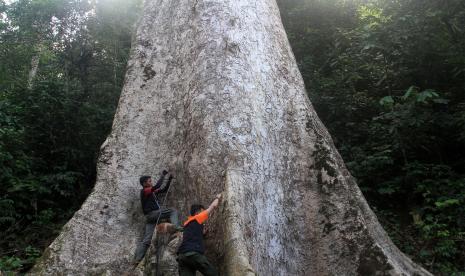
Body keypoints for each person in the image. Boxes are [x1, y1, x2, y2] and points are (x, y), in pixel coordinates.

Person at [134, 170, 180, 264]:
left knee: (147, 240)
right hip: (153, 214)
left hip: (150, 218)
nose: (151, 182)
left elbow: (163, 190)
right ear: (144, 183)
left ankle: (137, 259)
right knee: (172, 211)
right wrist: (163, 176)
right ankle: (176, 227)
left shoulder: (151, 192)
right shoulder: (145, 191)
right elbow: (157, 186)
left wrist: (169, 180)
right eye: (149, 181)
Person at [177, 193, 222, 276]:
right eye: (202, 211)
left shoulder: (187, 223)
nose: (203, 213)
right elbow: (213, 206)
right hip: (193, 254)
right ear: (198, 212)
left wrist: (203, 233)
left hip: (182, 256)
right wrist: (218, 198)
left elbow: (193, 234)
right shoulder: (197, 218)